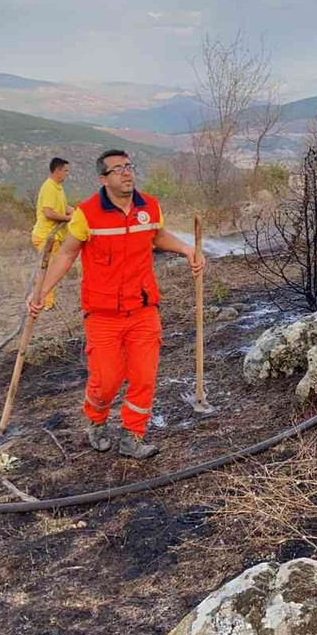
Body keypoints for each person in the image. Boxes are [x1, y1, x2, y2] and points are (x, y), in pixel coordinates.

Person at [27, 149, 203, 458]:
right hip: (103, 314)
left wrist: (187, 249)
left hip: (144, 309)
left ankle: (132, 436)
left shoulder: (149, 206)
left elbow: (157, 236)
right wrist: (41, 291)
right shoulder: (87, 213)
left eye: (129, 166)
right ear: (103, 179)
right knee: (106, 381)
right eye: (117, 169)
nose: (126, 173)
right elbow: (67, 253)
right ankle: (96, 422)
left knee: (143, 377)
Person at [30, 157, 74, 310]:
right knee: (48, 271)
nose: (67, 174)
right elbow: (48, 212)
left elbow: (62, 206)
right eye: (66, 171)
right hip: (46, 236)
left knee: (51, 268)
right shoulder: (49, 187)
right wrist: (68, 218)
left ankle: (46, 300)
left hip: (54, 237)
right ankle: (45, 303)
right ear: (58, 170)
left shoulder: (58, 187)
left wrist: (75, 212)